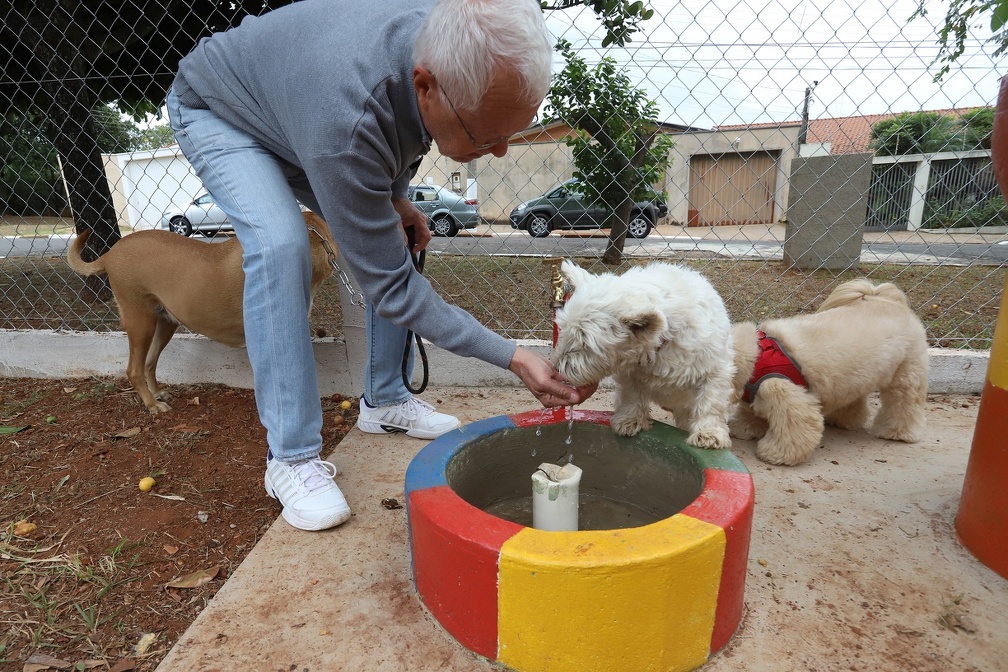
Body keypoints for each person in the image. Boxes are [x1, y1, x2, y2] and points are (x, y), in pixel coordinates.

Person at [167, 0, 595, 533]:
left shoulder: (449, 38)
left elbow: (399, 130)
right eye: (485, 137)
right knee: (280, 246)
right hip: (221, 109)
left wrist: (393, 199)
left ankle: (385, 400)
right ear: (426, 85)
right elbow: (392, 286)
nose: (502, 152)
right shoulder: (345, 121)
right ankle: (292, 459)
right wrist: (513, 357)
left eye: (511, 131)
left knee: (394, 232)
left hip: (298, 107)